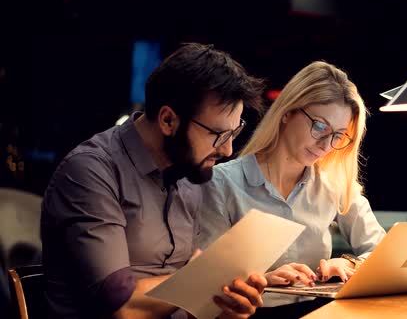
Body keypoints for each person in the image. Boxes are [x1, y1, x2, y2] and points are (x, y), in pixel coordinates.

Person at [41, 43, 268, 319]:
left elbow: (188, 294)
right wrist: (205, 277)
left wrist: (228, 305)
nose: (228, 150)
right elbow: (122, 308)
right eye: (218, 135)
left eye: (235, 132)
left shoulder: (188, 172)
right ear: (168, 120)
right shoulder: (90, 172)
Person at [199, 61, 386, 310]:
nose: (326, 144)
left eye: (338, 135)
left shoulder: (333, 183)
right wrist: (263, 281)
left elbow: (383, 253)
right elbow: (203, 283)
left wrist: (349, 264)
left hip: (318, 311)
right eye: (320, 126)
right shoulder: (222, 184)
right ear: (288, 112)